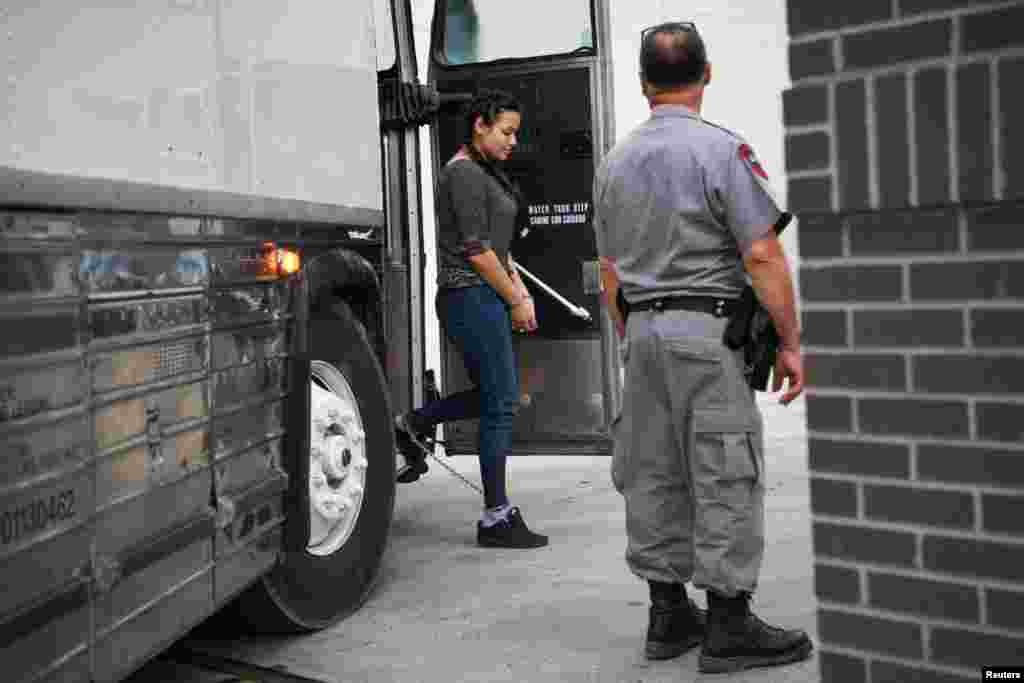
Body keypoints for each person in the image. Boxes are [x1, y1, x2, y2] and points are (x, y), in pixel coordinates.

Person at [592, 22, 813, 674]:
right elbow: (761, 251)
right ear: (707, 73)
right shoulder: (723, 151)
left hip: (643, 335)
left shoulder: (614, 163)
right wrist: (792, 343)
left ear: (642, 85)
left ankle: (667, 612)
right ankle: (728, 621)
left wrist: (634, 333)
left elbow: (609, 271)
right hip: (707, 332)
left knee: (652, 469)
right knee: (723, 466)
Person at [394, 89, 548, 550]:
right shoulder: (461, 174)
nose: (512, 141)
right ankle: (495, 517)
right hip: (467, 294)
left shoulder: (486, 173)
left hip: (487, 294)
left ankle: (414, 422)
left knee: (495, 397)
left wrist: (520, 293)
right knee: (500, 403)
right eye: (506, 131)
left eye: (515, 133)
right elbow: (478, 252)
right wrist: (515, 300)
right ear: (479, 125)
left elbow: (500, 251)